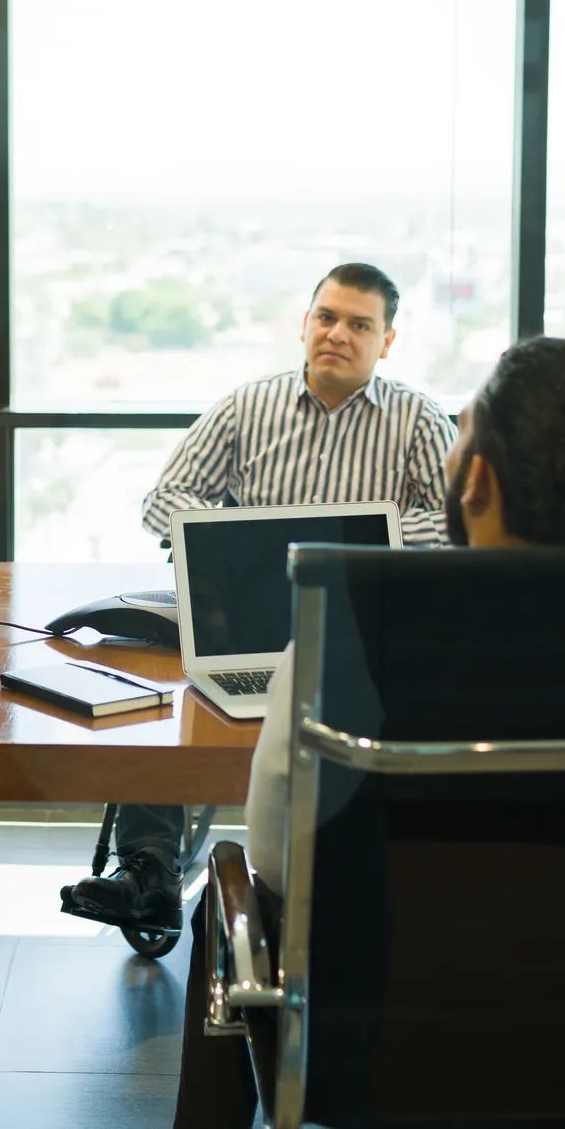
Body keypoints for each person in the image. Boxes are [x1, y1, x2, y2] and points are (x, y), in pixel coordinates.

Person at [173, 336, 565, 1126]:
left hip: (376, 1041)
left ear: (477, 478)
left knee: (227, 888)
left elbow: (278, 849)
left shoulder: (353, 611)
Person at [61, 263, 457, 933]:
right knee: (160, 684)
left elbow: (453, 525)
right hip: (242, 616)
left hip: (360, 629)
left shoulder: (418, 420)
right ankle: (148, 869)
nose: (338, 333)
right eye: (327, 317)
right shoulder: (249, 406)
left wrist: (349, 531)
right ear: (305, 323)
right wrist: (241, 541)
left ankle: (360, 871)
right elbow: (165, 500)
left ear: (387, 341)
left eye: (360, 324)